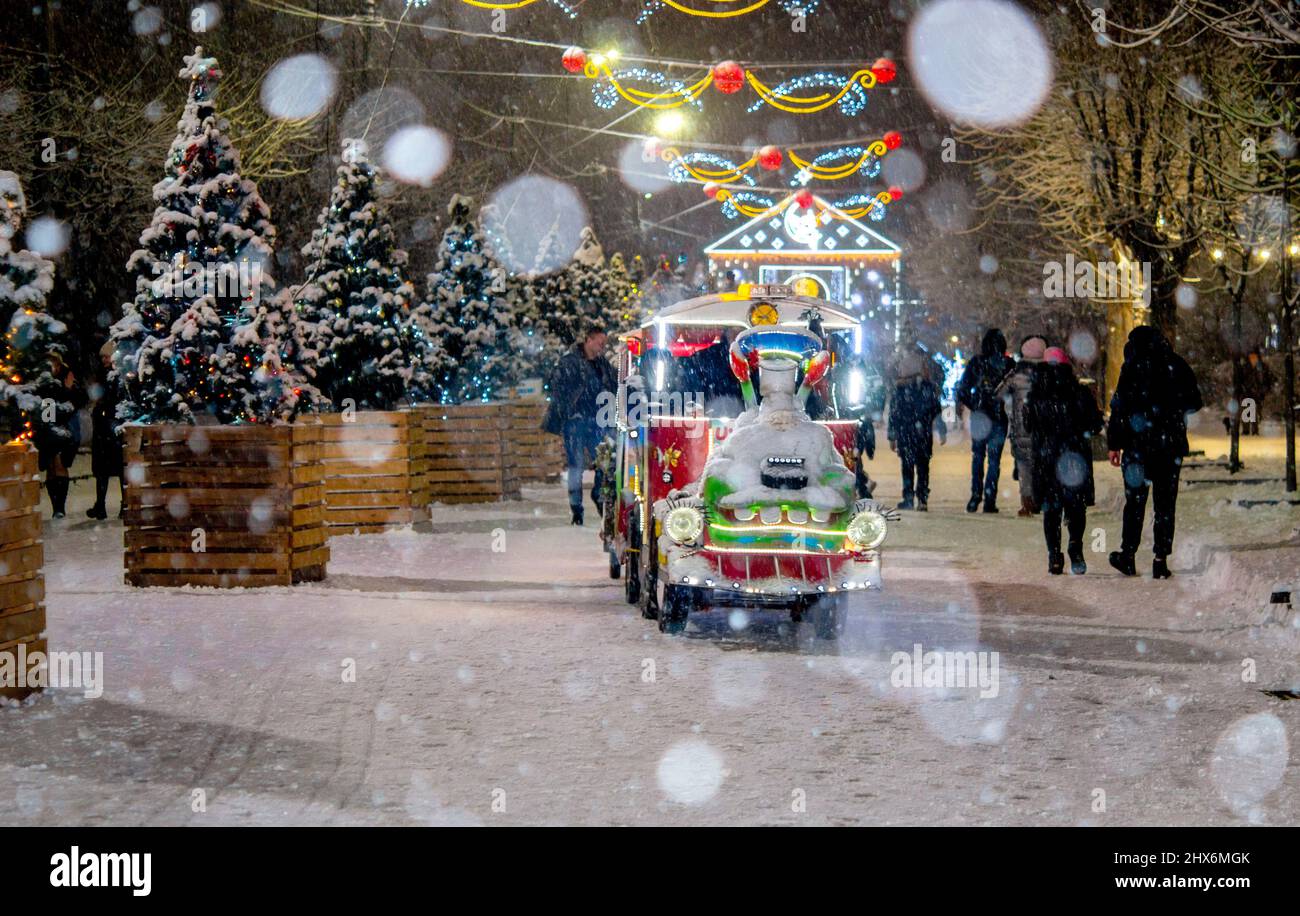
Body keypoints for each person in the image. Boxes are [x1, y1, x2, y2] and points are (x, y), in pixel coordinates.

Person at [1106, 326, 1203, 579]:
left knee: (1135, 503)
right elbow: (1195, 402)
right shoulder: (1176, 365)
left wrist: (1114, 444)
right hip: (1169, 447)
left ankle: (1127, 555)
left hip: (1137, 448)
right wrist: (1172, 410)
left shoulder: (1131, 368)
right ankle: (1160, 560)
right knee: (1165, 504)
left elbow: (1119, 407)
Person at [1025, 347, 1103, 575]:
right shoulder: (1079, 393)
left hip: (1047, 459)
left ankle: (1054, 556)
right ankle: (1075, 549)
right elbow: (1095, 425)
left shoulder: (1035, 396)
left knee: (1051, 509)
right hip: (1074, 459)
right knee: (1075, 506)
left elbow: (1029, 426)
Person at [542, 325, 617, 526]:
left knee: (605, 463)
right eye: (600, 343)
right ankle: (577, 510)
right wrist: (570, 409)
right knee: (576, 467)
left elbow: (615, 384)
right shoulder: (569, 362)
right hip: (575, 422)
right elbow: (556, 387)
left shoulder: (602, 365)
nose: (602, 347)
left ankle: (598, 494)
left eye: (604, 343)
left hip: (597, 421)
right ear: (589, 340)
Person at [956, 328, 1013, 513]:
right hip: (998, 416)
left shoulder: (976, 363)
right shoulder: (1009, 364)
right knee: (994, 460)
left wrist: (975, 404)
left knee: (978, 457)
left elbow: (963, 389)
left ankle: (975, 496)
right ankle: (990, 499)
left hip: (980, 417)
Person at [996, 335, 1047, 517]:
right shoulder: (1050, 372)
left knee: (1024, 467)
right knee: (1043, 465)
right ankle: (1042, 500)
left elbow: (999, 393)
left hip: (1022, 427)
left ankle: (1026, 503)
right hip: (1045, 428)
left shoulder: (1017, 374)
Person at [887, 353, 945, 511]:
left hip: (905, 434)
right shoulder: (928, 387)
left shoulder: (900, 390)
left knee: (907, 466)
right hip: (923, 435)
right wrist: (941, 429)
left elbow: (894, 414)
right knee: (923, 466)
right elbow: (936, 411)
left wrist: (892, 436)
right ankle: (922, 498)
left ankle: (908, 497)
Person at [33, 347, 86, 519]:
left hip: (66, 428)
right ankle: (56, 507)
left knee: (60, 463)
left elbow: (76, 401)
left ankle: (60, 507)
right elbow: (47, 406)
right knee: (50, 466)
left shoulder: (67, 376)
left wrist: (68, 390)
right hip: (48, 428)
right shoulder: (43, 381)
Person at [87, 340, 125, 520]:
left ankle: (121, 504)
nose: (104, 359)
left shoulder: (117, 375)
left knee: (118, 469)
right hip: (105, 427)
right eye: (102, 356)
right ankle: (101, 505)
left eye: (107, 356)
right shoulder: (103, 375)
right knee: (104, 470)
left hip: (112, 426)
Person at [1240, 350, 1274, 435]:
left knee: (1251, 410)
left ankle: (1249, 429)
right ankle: (1250, 429)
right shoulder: (1256, 366)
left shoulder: (1253, 366)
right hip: (1251, 392)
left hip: (1253, 392)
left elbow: (1266, 378)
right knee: (1251, 410)